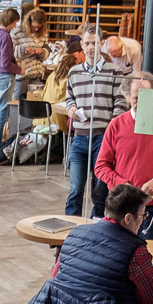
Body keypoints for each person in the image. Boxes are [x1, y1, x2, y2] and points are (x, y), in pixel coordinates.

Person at [52, 184, 153, 304]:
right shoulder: (136, 250)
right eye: (142, 215)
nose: (143, 220)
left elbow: (56, 275)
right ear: (128, 218)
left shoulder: (74, 234)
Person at [94, 71, 153, 240]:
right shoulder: (116, 125)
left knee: (150, 253)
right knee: (116, 250)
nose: (143, 103)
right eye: (137, 98)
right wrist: (123, 185)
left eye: (147, 97)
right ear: (127, 97)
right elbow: (101, 167)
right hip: (120, 205)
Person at [65, 25, 129, 219]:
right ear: (82, 46)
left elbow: (121, 102)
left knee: (100, 190)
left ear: (102, 44)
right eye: (86, 43)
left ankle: (97, 227)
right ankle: (69, 231)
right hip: (80, 137)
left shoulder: (114, 71)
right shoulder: (74, 73)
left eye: (94, 43)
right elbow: (69, 98)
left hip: (103, 137)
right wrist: (71, 109)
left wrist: (112, 128)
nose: (90, 47)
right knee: (75, 189)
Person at [0, 7, 23, 155]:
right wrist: (20, 70)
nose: (15, 26)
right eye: (14, 23)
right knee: (2, 110)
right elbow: (6, 63)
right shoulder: (6, 36)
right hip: (5, 75)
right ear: (10, 21)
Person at [15, 8, 52, 80]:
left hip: (38, 74)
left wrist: (42, 52)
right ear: (29, 22)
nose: (36, 29)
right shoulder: (17, 32)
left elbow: (47, 51)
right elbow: (9, 53)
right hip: (22, 75)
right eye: (34, 27)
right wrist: (24, 50)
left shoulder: (43, 33)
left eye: (38, 27)